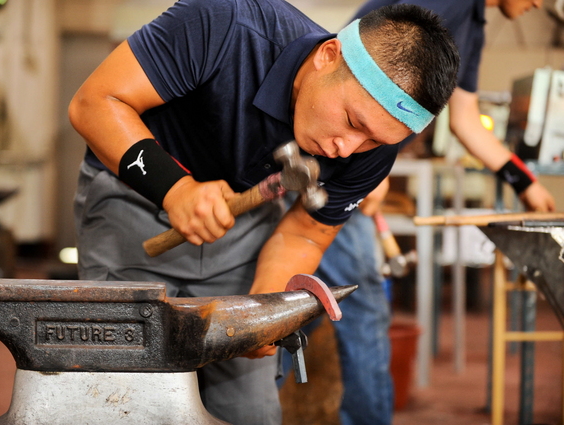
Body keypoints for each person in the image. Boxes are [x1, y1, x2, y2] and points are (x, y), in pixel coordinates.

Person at [68, 1, 460, 423]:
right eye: (351, 121)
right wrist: (174, 189)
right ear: (328, 56)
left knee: (250, 409)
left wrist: (262, 316)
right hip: (133, 204)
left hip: (247, 233)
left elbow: (304, 235)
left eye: (373, 141)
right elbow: (95, 102)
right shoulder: (223, 22)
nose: (347, 149)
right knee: (125, 398)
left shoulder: (373, 148)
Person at [317, 1, 556, 424]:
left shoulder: (475, 25)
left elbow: (465, 120)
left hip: (356, 162)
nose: (542, 4)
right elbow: (366, 73)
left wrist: (526, 182)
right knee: (361, 308)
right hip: (333, 161)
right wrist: (369, 161)